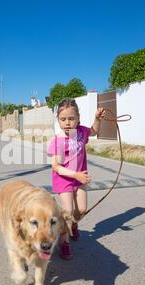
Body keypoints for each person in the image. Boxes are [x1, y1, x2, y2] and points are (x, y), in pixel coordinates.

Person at [47, 98, 105, 259]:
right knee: (68, 211)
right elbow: (56, 167)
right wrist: (75, 175)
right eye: (63, 119)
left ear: (78, 118)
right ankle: (64, 243)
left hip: (80, 177)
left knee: (81, 210)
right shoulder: (58, 141)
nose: (67, 123)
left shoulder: (81, 132)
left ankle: (74, 224)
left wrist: (97, 119)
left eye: (71, 119)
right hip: (64, 179)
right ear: (58, 120)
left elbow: (93, 131)